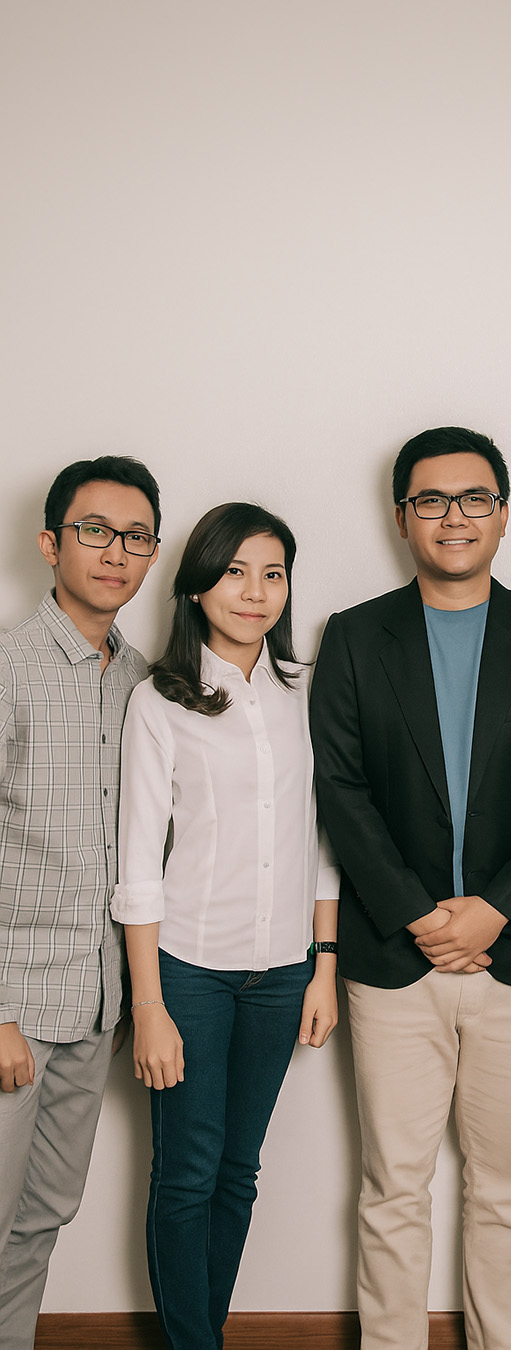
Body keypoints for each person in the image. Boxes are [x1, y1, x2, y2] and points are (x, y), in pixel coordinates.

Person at [309, 426, 511, 1350]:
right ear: (402, 517)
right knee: (393, 1187)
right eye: (431, 500)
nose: (454, 517)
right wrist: (418, 914)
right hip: (393, 958)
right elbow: (341, 789)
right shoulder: (354, 636)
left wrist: (496, 909)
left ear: (504, 514)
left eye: (475, 498)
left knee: (507, 1189)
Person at [110, 502, 338, 1350]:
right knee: (186, 1173)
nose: (255, 592)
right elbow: (139, 862)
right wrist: (150, 1006)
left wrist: (322, 966)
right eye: (235, 572)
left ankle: (202, 1333)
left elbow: (323, 841)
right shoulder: (159, 700)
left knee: (239, 1172)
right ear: (199, 585)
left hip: (283, 972)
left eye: (272, 574)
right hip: (189, 969)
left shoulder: (306, 691)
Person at [0, 455, 161, 1347]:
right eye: (95, 531)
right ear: (50, 543)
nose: (115, 552)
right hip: (14, 1006)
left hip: (97, 1007)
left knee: (42, 1216)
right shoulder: (9, 667)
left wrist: (132, 996)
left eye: (136, 537)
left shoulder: (145, 681)